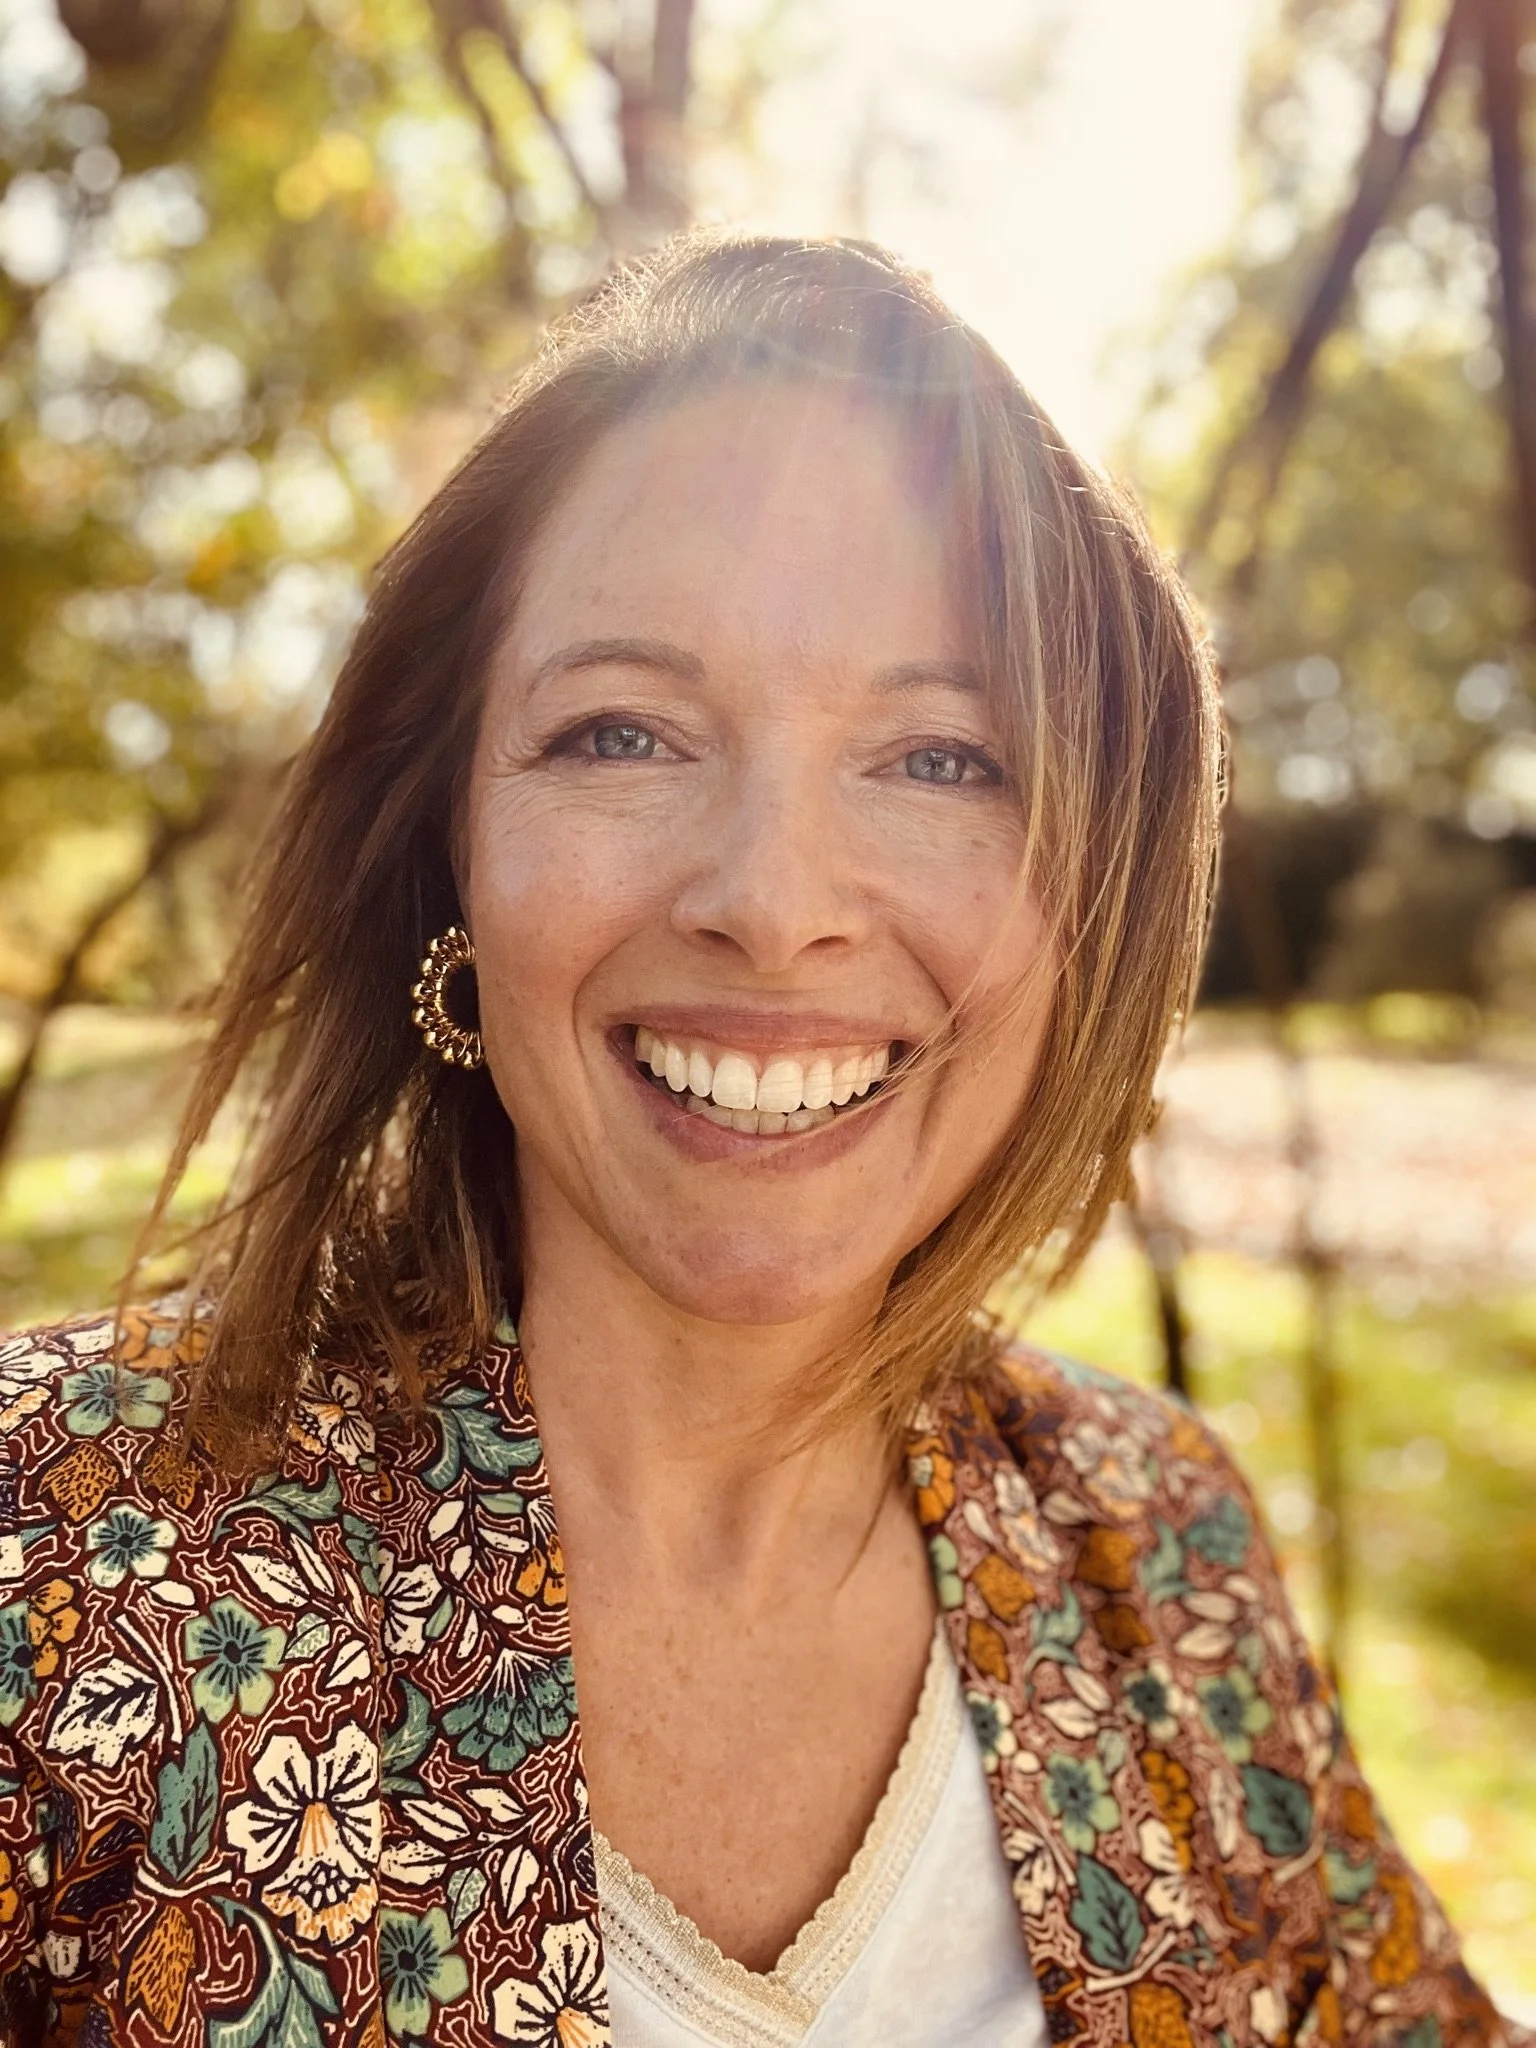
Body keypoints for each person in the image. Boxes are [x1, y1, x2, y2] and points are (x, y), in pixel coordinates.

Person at [0, 233, 1522, 2048]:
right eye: (622, 732)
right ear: (451, 866)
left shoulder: (1159, 1541)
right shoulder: (55, 1565)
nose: (772, 904)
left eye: (944, 755)